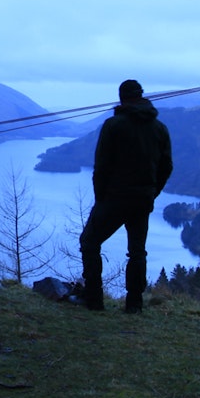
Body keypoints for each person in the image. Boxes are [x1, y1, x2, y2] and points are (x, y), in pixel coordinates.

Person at [79, 79, 173, 313]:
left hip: (114, 196)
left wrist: (100, 196)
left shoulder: (114, 125)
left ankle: (94, 301)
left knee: (90, 242)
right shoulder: (159, 128)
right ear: (141, 96)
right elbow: (167, 166)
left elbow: (101, 165)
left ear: (121, 98)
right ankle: (134, 304)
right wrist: (152, 191)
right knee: (137, 251)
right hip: (142, 198)